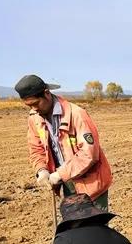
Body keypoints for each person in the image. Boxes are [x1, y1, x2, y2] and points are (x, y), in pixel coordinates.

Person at [15, 74, 113, 209]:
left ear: (47, 94)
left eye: (36, 103)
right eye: (29, 106)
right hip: (67, 184)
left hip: (92, 185)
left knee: (94, 229)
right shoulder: (35, 118)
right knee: (73, 227)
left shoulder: (76, 114)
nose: (34, 109)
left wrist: (61, 174)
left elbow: (89, 154)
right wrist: (41, 169)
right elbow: (36, 148)